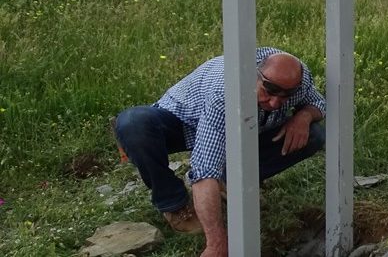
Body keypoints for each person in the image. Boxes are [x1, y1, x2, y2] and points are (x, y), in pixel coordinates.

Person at [113, 47, 326, 256]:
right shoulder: (225, 92)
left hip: (239, 130)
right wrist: (217, 244)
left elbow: (317, 102)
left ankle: (228, 181)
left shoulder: (298, 79)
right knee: (134, 124)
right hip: (181, 123)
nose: (274, 102)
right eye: (269, 92)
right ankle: (174, 203)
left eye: (285, 96)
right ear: (253, 76)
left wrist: (304, 116)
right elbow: (205, 170)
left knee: (313, 135)